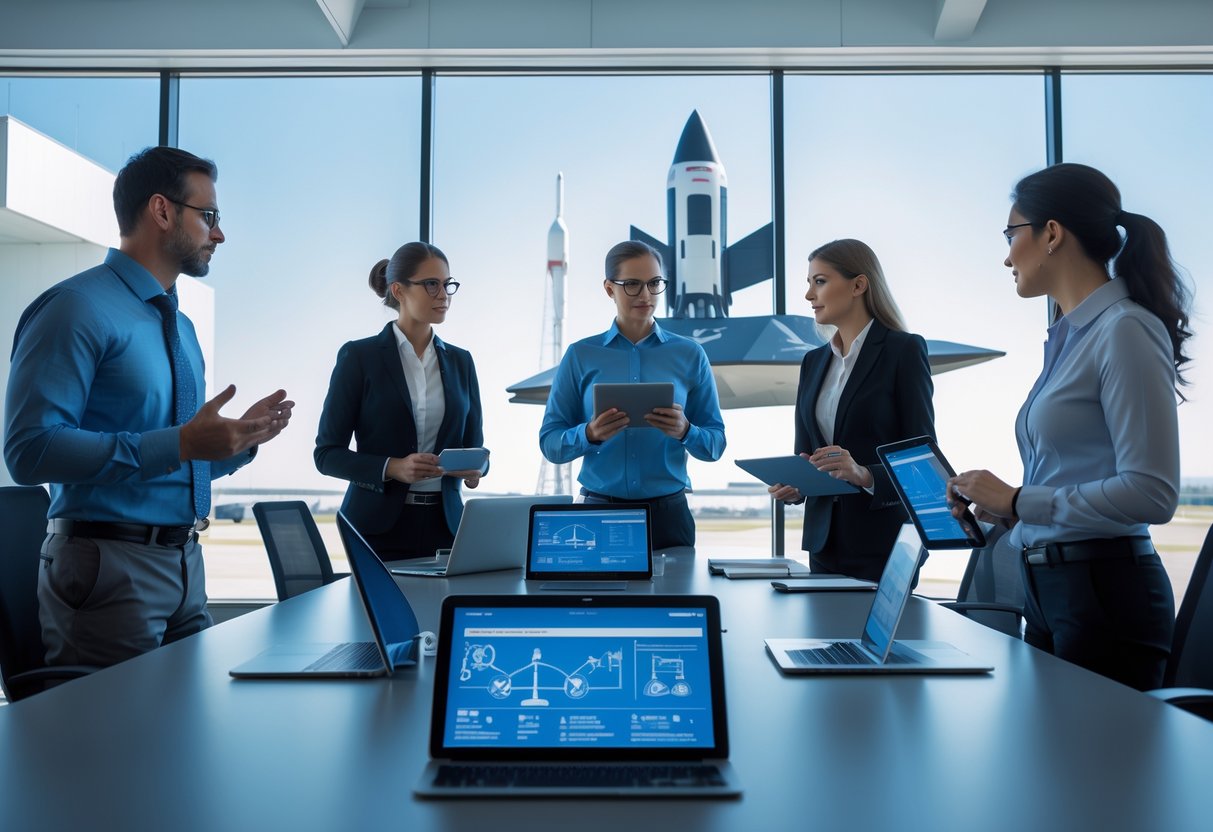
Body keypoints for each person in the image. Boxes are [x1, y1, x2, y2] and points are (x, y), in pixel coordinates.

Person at [4, 146, 294, 669]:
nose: (220, 234)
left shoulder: (180, 328)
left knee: (184, 740)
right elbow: (29, 450)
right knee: (116, 746)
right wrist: (182, 441)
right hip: (107, 569)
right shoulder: (75, 308)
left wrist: (237, 441)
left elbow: (171, 459)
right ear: (161, 211)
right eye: (209, 217)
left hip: (185, 562)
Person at [946, 163, 1192, 690]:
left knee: (1092, 769)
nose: (1006, 254)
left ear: (1051, 233)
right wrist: (1006, 513)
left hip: (1104, 593)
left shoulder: (1125, 329)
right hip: (1052, 586)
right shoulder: (1069, 337)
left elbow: (1152, 493)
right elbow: (1071, 475)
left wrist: (1020, 500)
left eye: (1012, 234)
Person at [539, 240, 726, 550]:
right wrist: (590, 433)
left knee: (675, 601)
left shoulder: (690, 354)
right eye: (632, 285)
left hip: (670, 516)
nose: (646, 295)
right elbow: (551, 444)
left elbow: (715, 444)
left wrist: (685, 431)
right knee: (600, 601)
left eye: (655, 284)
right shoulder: (581, 355)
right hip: (597, 513)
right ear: (609, 288)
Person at [768, 239, 934, 583]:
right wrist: (798, 485)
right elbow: (808, 454)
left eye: (820, 281)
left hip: (883, 544)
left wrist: (864, 474)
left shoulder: (903, 351)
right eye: (809, 283)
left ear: (858, 285)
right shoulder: (813, 363)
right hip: (824, 544)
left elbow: (921, 460)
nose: (809, 295)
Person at [314, 242, 486, 560]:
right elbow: (326, 455)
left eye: (447, 284)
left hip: (447, 527)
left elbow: (475, 450)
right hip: (376, 528)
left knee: (442, 611)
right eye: (431, 284)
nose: (443, 294)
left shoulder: (462, 362)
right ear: (399, 289)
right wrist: (393, 467)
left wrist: (474, 471)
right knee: (384, 611)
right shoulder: (359, 357)